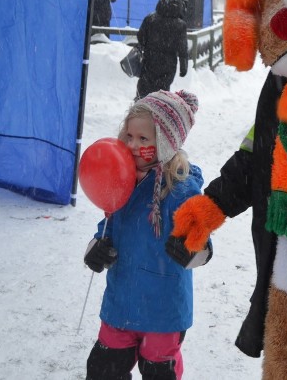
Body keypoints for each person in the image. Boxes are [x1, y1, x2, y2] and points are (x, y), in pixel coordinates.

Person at [84, 90, 206, 380]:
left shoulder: (180, 188)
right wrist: (95, 250)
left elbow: (200, 239)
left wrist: (192, 249)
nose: (133, 146)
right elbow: (107, 227)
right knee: (102, 371)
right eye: (129, 136)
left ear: (165, 143)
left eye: (144, 139)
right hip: (120, 306)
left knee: (158, 373)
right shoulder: (119, 177)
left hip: (162, 312)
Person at [136, 0, 189, 100]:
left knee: (144, 90)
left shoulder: (150, 19)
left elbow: (141, 37)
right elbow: (183, 48)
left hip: (149, 60)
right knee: (162, 92)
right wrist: (183, 67)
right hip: (168, 65)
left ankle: (140, 111)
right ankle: (158, 112)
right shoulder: (180, 25)